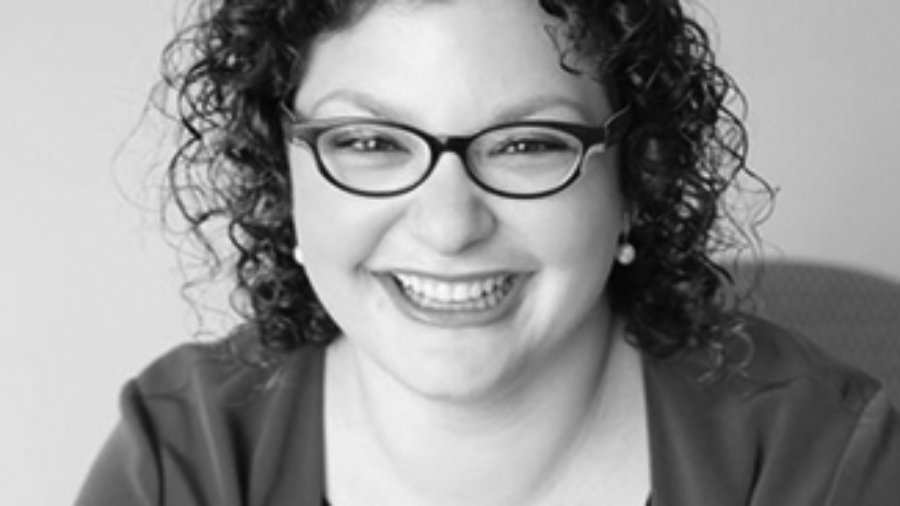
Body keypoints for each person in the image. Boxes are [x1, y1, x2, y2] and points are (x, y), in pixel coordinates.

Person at [77, 0, 900, 504]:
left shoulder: (818, 462)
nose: (447, 225)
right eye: (367, 140)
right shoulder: (184, 459)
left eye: (525, 144)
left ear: (635, 178)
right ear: (281, 173)